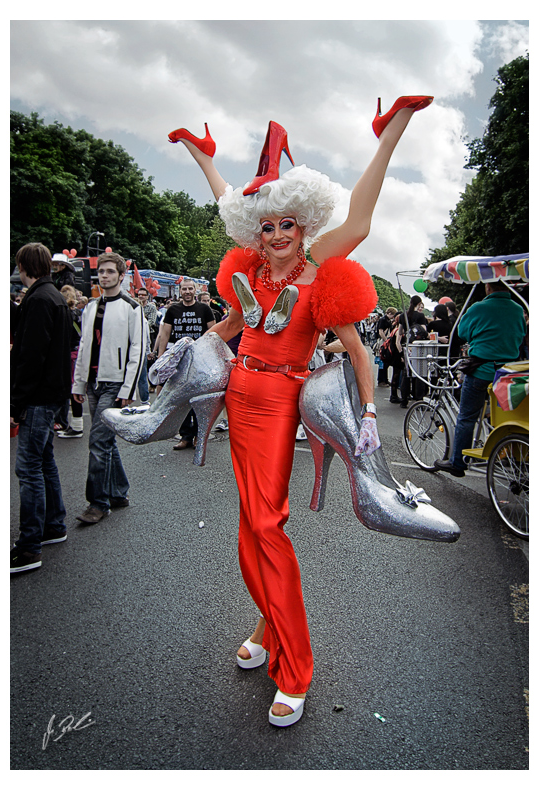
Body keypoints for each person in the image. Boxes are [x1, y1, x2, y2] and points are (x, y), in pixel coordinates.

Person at [168, 95, 433, 725]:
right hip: (239, 395)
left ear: (304, 227)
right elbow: (230, 322)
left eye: (288, 224)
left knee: (267, 526)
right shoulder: (252, 272)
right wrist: (204, 161)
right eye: (268, 226)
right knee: (248, 526)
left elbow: (362, 224)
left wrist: (391, 132)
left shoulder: (318, 269)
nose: (278, 234)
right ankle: (265, 624)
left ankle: (296, 664)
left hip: (283, 403)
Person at [10, 243, 72, 573]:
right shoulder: (55, 298)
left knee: (29, 467)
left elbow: (29, 358)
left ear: (24, 266)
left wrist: (15, 402)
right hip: (52, 394)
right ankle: (53, 524)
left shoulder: (37, 301)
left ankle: (29, 545)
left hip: (36, 397)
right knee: (44, 461)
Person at [72, 252, 145, 523]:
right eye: (101, 272)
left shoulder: (132, 307)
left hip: (114, 383)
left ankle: (98, 503)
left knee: (98, 441)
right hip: (93, 382)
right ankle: (118, 492)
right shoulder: (90, 307)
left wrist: (128, 389)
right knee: (106, 441)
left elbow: (137, 349)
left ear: (121, 275)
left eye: (110, 272)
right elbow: (83, 348)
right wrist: (79, 382)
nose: (104, 276)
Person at [434, 280, 526, 477]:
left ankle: (457, 463)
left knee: (467, 417)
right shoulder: (518, 310)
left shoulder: (479, 307)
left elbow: (462, 332)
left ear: (488, 287)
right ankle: (505, 452)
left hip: (481, 370)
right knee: (502, 417)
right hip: (508, 374)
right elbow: (520, 336)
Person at [154, 278, 216, 450]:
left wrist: (212, 355)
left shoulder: (204, 309)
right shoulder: (173, 309)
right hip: (178, 360)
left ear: (195, 290)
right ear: (179, 291)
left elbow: (214, 333)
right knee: (180, 398)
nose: (187, 292)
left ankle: (198, 435)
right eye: (184, 289)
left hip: (199, 359)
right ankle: (185, 436)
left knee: (198, 399)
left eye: (190, 289)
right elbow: (165, 334)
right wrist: (161, 358)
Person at [56, 285, 84, 438]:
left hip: (68, 353)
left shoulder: (63, 314)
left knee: (70, 389)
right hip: (78, 352)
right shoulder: (79, 313)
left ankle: (73, 425)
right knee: (75, 388)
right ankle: (75, 424)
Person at [375, 307, 397, 386]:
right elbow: (380, 331)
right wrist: (386, 341)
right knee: (383, 362)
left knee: (385, 362)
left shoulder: (385, 320)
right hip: (384, 342)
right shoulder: (383, 320)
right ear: (390, 313)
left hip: (385, 342)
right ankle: (381, 380)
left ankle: (385, 379)